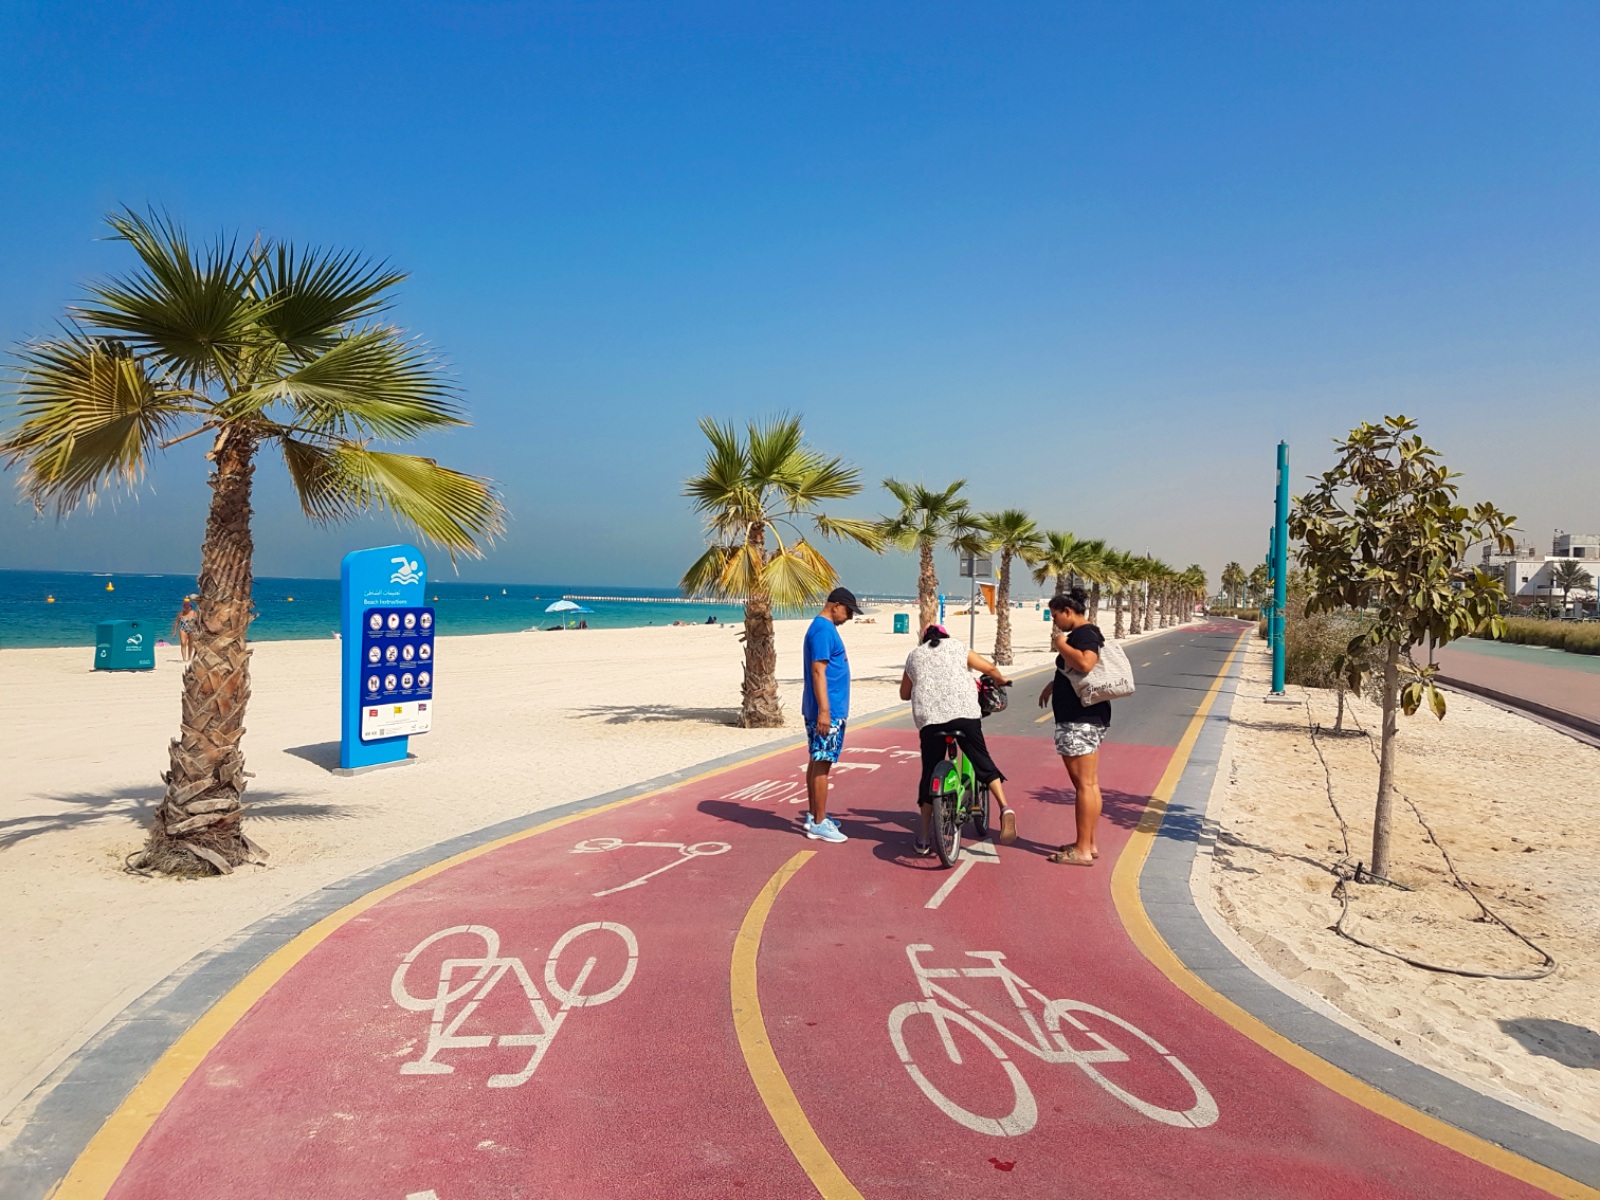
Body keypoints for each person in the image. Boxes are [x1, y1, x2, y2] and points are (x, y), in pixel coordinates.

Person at [899, 625, 1017, 855]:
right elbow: (990, 668)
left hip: (931, 721)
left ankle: (923, 838)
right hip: (965, 716)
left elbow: (905, 694)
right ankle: (1005, 808)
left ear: (924, 639)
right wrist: (1001, 679)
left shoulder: (914, 655)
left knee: (929, 772)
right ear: (945, 636)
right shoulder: (957, 647)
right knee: (982, 760)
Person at [1037, 589, 1110, 865]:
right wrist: (1054, 684)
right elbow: (1074, 671)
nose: (1055, 622)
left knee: (1084, 785)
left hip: (1079, 720)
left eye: (1056, 616)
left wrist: (1060, 644)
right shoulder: (1087, 633)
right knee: (1089, 784)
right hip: (1086, 718)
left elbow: (1085, 663)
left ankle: (1081, 850)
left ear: (1068, 611)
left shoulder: (1082, 634)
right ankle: (1088, 843)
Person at [801, 587, 862, 844]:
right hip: (827, 711)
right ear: (835, 605)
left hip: (827, 709)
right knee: (823, 763)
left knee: (817, 760)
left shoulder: (824, 629)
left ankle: (816, 814)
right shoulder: (824, 630)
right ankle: (818, 823)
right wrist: (825, 711)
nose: (849, 617)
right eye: (848, 611)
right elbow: (818, 672)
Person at [170, 596, 198, 663]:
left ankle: (189, 657)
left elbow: (198, 622)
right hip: (183, 629)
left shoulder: (194, 613)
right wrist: (174, 631)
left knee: (191, 644)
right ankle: (184, 659)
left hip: (192, 630)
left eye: (187, 606)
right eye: (185, 606)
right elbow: (176, 622)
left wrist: (199, 630)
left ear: (190, 606)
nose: (186, 607)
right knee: (183, 643)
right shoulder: (181, 614)